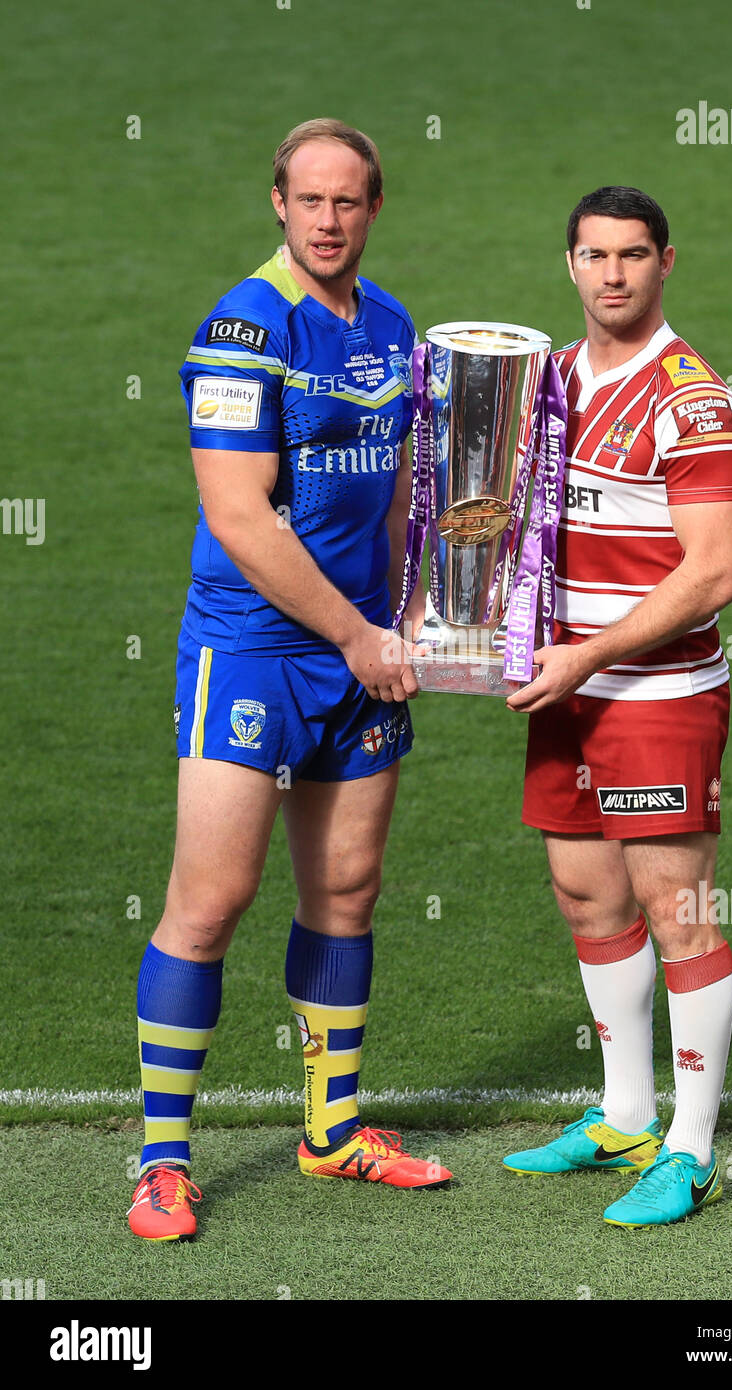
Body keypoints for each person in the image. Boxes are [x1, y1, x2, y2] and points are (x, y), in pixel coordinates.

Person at [128, 118, 450, 1244]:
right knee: (209, 900)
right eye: (308, 200)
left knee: (348, 891)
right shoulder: (240, 328)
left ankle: (332, 1128)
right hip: (253, 647)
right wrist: (359, 634)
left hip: (361, 648)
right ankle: (163, 1161)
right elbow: (239, 517)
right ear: (277, 202)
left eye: (348, 202)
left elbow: (405, 484)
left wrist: (416, 607)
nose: (327, 220)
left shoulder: (394, 324)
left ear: (372, 208)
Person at [502, 187, 732, 1228]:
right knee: (586, 897)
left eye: (633, 255)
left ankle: (689, 1151)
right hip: (564, 691)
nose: (612, 273)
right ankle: (624, 1113)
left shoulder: (691, 400)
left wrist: (587, 656)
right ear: (568, 264)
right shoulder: (545, 382)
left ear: (666, 263)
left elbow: (715, 573)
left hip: (654, 692)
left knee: (675, 909)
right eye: (594, 255)